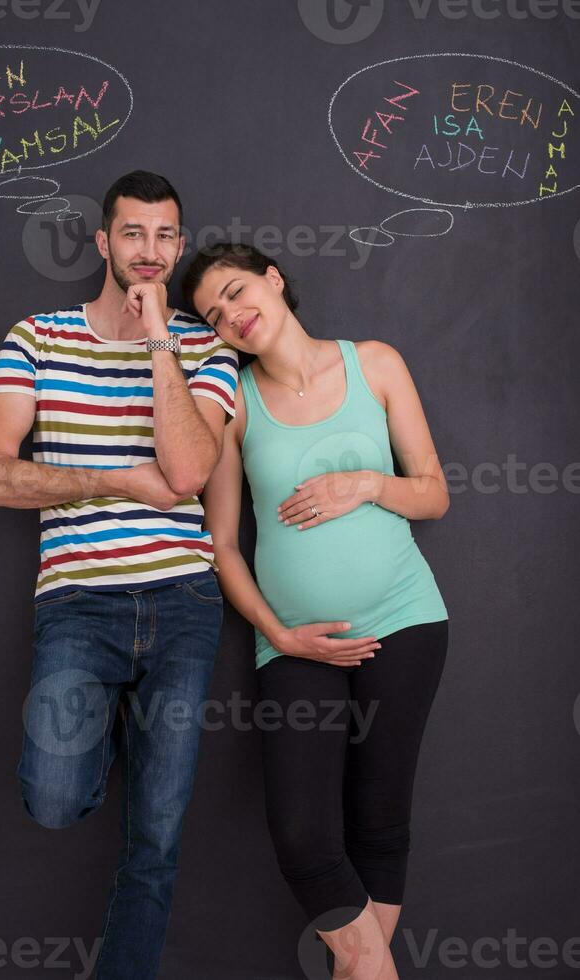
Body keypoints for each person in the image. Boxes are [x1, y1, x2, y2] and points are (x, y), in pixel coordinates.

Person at [0, 172, 239, 980]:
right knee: (54, 800)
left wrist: (160, 338)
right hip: (79, 603)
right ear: (103, 243)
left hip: (184, 602)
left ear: (179, 246)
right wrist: (117, 481)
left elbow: (189, 470)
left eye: (164, 237)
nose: (149, 252)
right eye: (132, 234)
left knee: (155, 839)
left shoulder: (205, 345)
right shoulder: (37, 338)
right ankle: (116, 723)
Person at [182, 242, 450, 980]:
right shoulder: (232, 403)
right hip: (294, 646)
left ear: (274, 279)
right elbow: (223, 546)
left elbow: (433, 490)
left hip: (404, 620)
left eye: (237, 292)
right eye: (212, 314)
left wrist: (366, 483)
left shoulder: (376, 364)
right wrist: (278, 634)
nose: (232, 315)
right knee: (303, 836)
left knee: (379, 822)